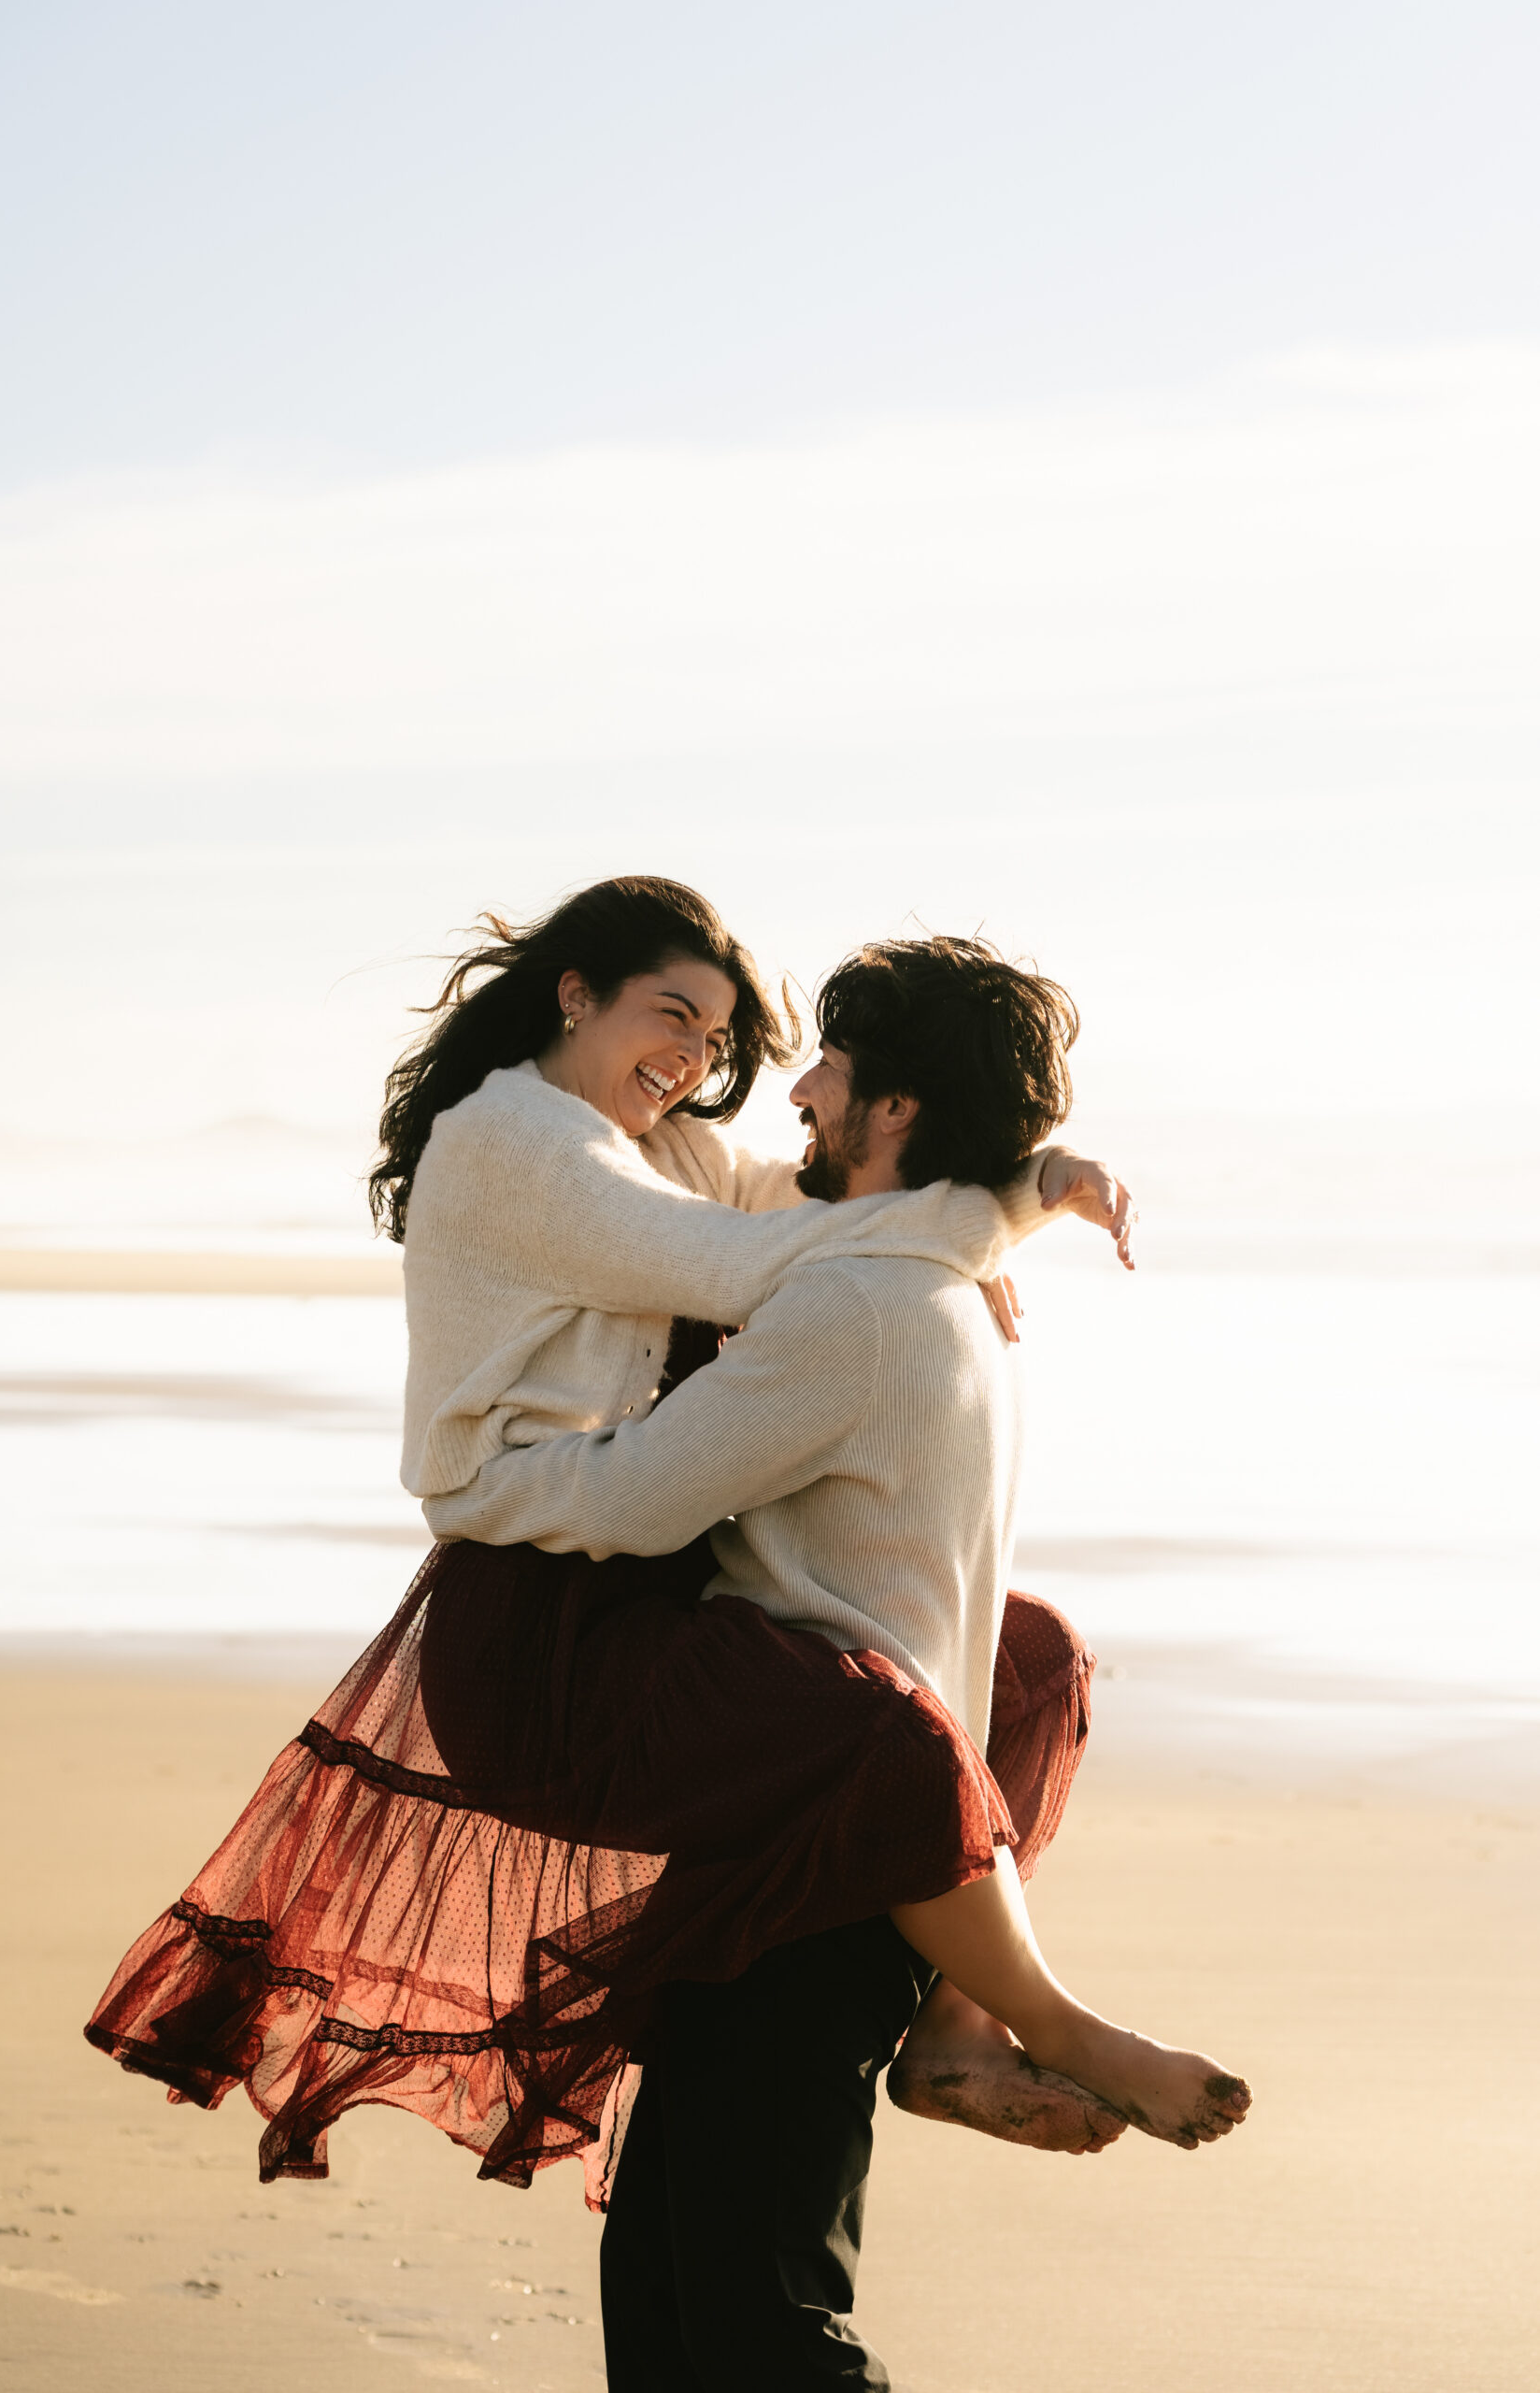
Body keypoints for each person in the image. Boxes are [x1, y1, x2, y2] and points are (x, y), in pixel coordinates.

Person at [84, 877, 1139, 2210]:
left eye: (716, 1037)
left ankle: (955, 2026)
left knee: (1030, 1661)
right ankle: (1026, 2013)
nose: (697, 1059)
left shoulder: (656, 1143)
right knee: (890, 1737)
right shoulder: (514, 1141)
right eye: (672, 1014)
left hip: (644, 1572)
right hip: (540, 1608)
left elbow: (799, 1209)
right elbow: (759, 1271)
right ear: (574, 994)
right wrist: (996, 1214)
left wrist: (1006, 1182)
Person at [430, 931, 1252, 2388]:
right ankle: (970, 2015)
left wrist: (481, 1502)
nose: (789, 1087)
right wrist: (1013, 1196)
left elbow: (635, 1496)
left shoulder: (857, 1303)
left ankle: (1025, 2013)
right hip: (828, 1794)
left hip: (823, 1820)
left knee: (751, 2325)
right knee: (688, 2293)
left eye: (830, 1070)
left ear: (893, 1114)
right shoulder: (936, 1295)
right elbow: (740, 1237)